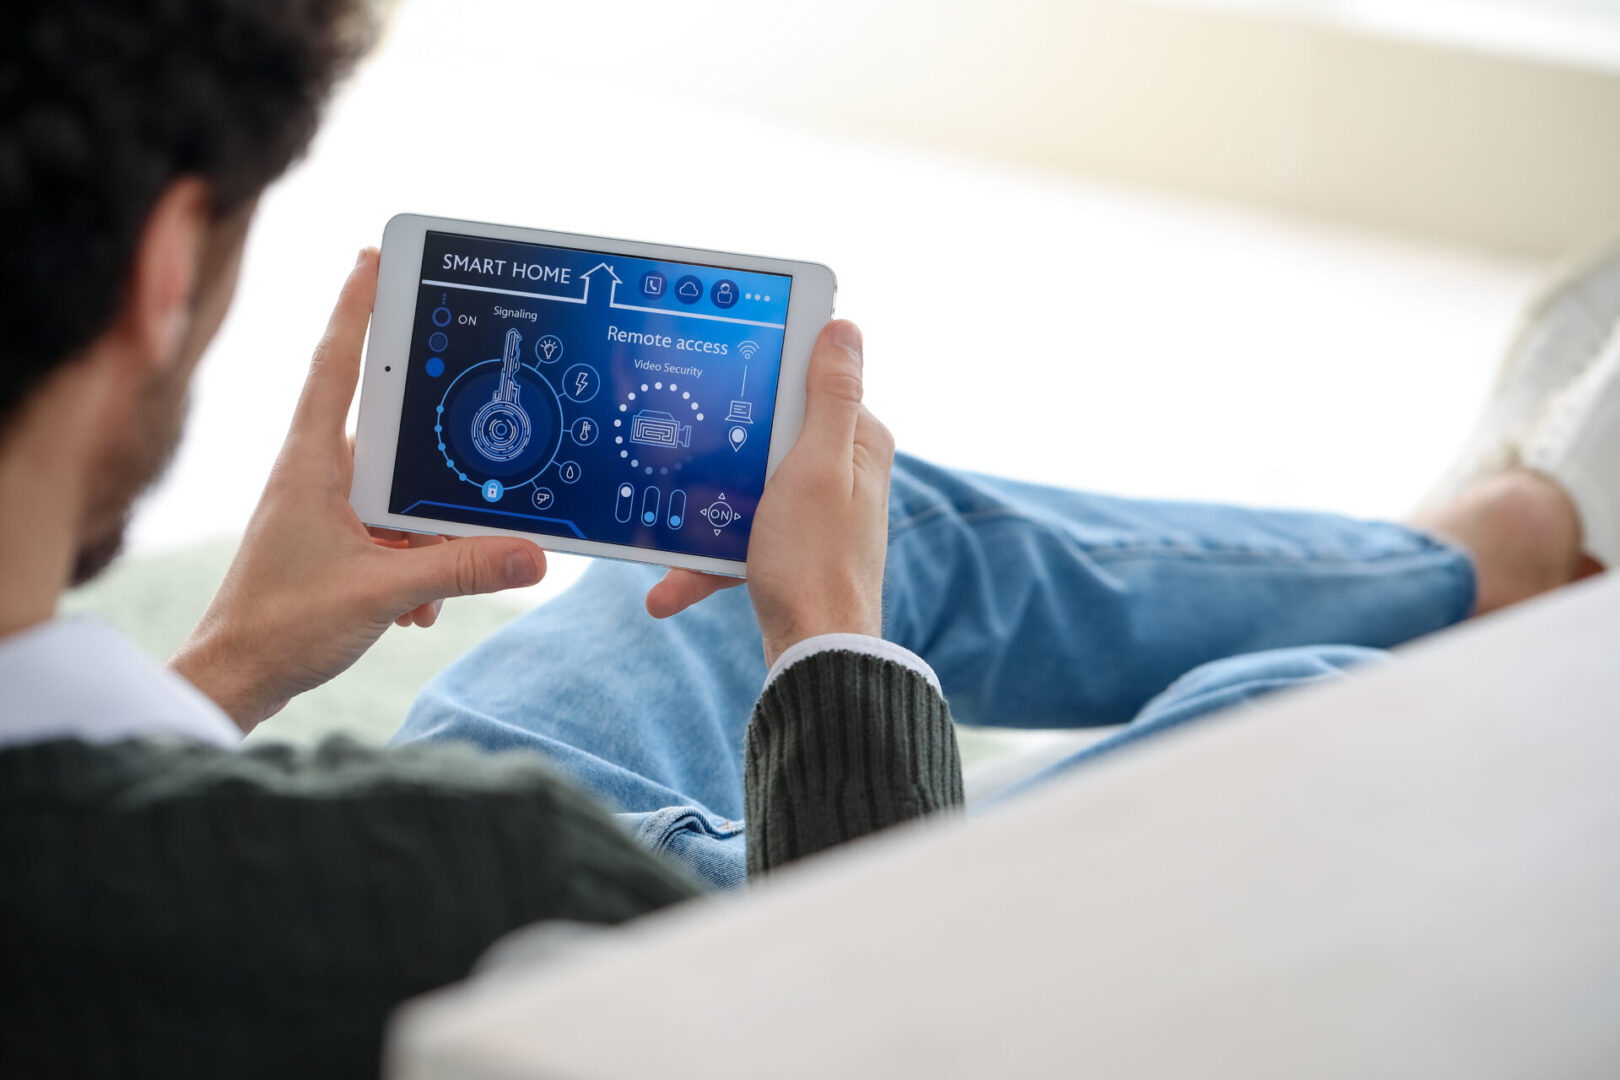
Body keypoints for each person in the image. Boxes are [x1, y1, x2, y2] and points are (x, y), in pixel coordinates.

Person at [4, 0, 1619, 1075]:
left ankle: (1481, 552)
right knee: (1288, 714)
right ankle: (1494, 576)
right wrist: (832, 660)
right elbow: (871, 1028)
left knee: (712, 561)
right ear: (165, 272)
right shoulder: (451, 871)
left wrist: (226, 666)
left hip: (458, 888)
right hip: (627, 968)